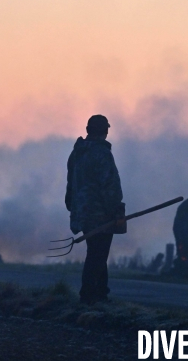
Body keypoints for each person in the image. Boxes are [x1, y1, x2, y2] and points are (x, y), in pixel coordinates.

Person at [65, 114, 126, 304]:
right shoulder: (102, 153)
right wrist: (115, 210)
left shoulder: (77, 153)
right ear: (105, 131)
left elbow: (70, 183)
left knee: (97, 252)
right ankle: (89, 295)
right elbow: (111, 186)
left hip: (82, 213)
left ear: (88, 130)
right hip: (100, 214)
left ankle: (100, 293)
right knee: (97, 255)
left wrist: (72, 206)